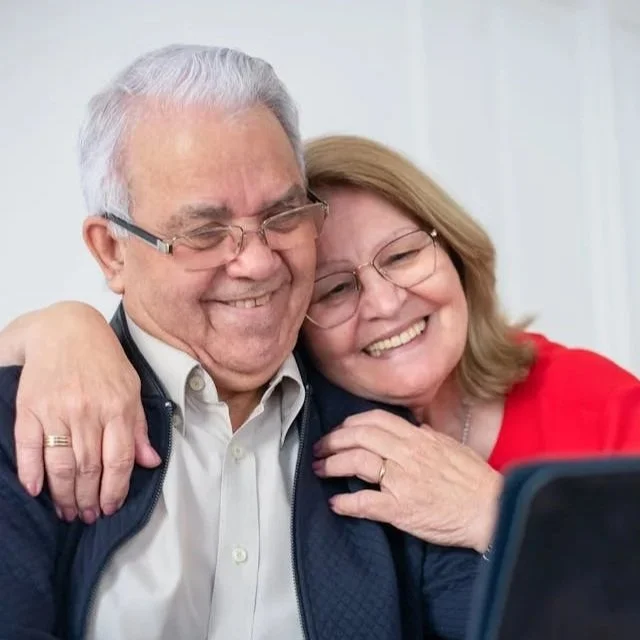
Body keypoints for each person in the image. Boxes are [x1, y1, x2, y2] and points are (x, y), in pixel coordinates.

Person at [0, 45, 480, 640]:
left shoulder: (387, 440)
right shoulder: (26, 422)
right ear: (112, 251)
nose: (257, 263)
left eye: (283, 216)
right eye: (205, 232)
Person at [6, 131, 640, 556]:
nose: (385, 303)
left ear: (454, 250)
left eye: (404, 255)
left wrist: (497, 516)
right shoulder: (285, 436)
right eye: (335, 290)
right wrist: (64, 328)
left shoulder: (592, 399)